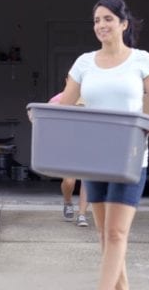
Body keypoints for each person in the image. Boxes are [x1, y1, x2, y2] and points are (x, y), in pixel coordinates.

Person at [57, 0, 149, 290]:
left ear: (123, 24)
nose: (101, 25)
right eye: (96, 20)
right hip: (94, 156)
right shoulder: (84, 62)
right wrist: (41, 115)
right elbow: (64, 103)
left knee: (117, 233)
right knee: (105, 236)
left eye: (108, 19)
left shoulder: (142, 59)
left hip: (129, 155)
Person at [48, 91, 89, 227]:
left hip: (90, 142)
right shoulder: (61, 97)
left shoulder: (96, 95)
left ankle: (82, 214)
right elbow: (46, 112)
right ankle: (67, 201)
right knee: (69, 181)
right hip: (68, 144)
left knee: (88, 180)